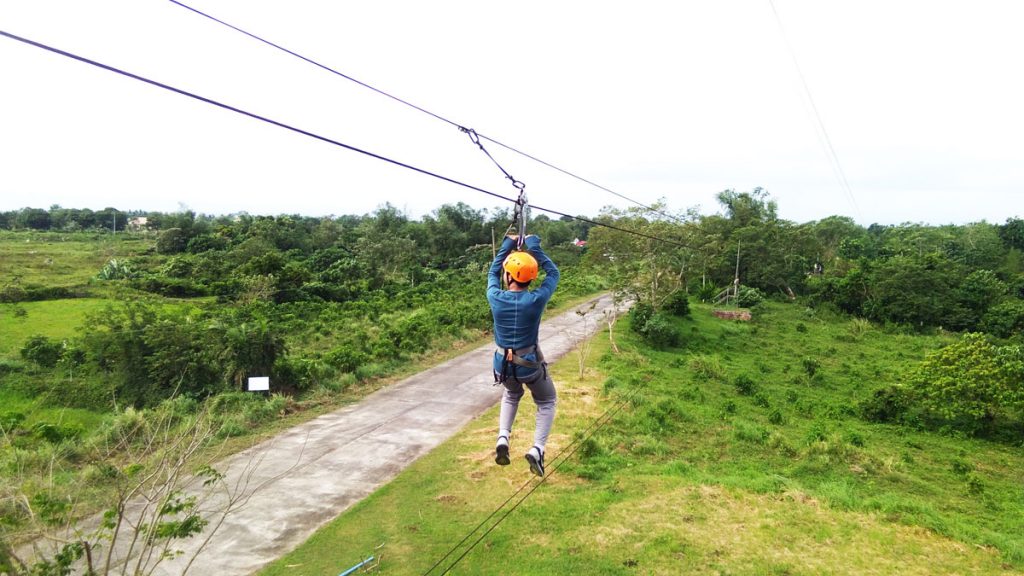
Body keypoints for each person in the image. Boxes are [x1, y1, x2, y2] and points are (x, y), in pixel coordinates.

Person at [487, 234, 560, 477]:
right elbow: (554, 274)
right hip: (528, 364)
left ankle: (503, 438)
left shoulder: (495, 297)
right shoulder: (536, 299)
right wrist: (535, 247)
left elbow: (492, 272)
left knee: (511, 393)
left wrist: (508, 244)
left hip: (503, 365)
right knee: (546, 401)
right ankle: (537, 449)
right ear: (530, 278)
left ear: (509, 276)